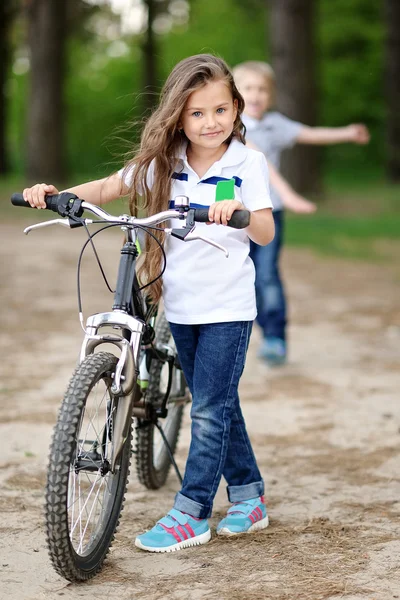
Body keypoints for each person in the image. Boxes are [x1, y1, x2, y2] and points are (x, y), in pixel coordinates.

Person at [23, 54, 275, 553]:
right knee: (216, 401)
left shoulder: (247, 162)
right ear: (179, 116)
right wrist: (55, 194)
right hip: (180, 305)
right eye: (197, 113)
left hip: (227, 307)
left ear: (236, 108)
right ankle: (249, 496)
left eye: (221, 110)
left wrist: (238, 212)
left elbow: (264, 232)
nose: (210, 123)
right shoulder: (165, 161)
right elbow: (111, 187)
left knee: (208, 407)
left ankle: (192, 512)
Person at [233, 60, 370, 366]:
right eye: (248, 88)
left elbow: (310, 134)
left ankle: (274, 337)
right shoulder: (227, 124)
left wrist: (347, 133)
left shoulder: (275, 124)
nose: (256, 95)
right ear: (235, 94)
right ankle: (243, 332)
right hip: (231, 216)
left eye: (262, 90)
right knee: (242, 277)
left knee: (267, 275)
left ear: (271, 95)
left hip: (269, 213)